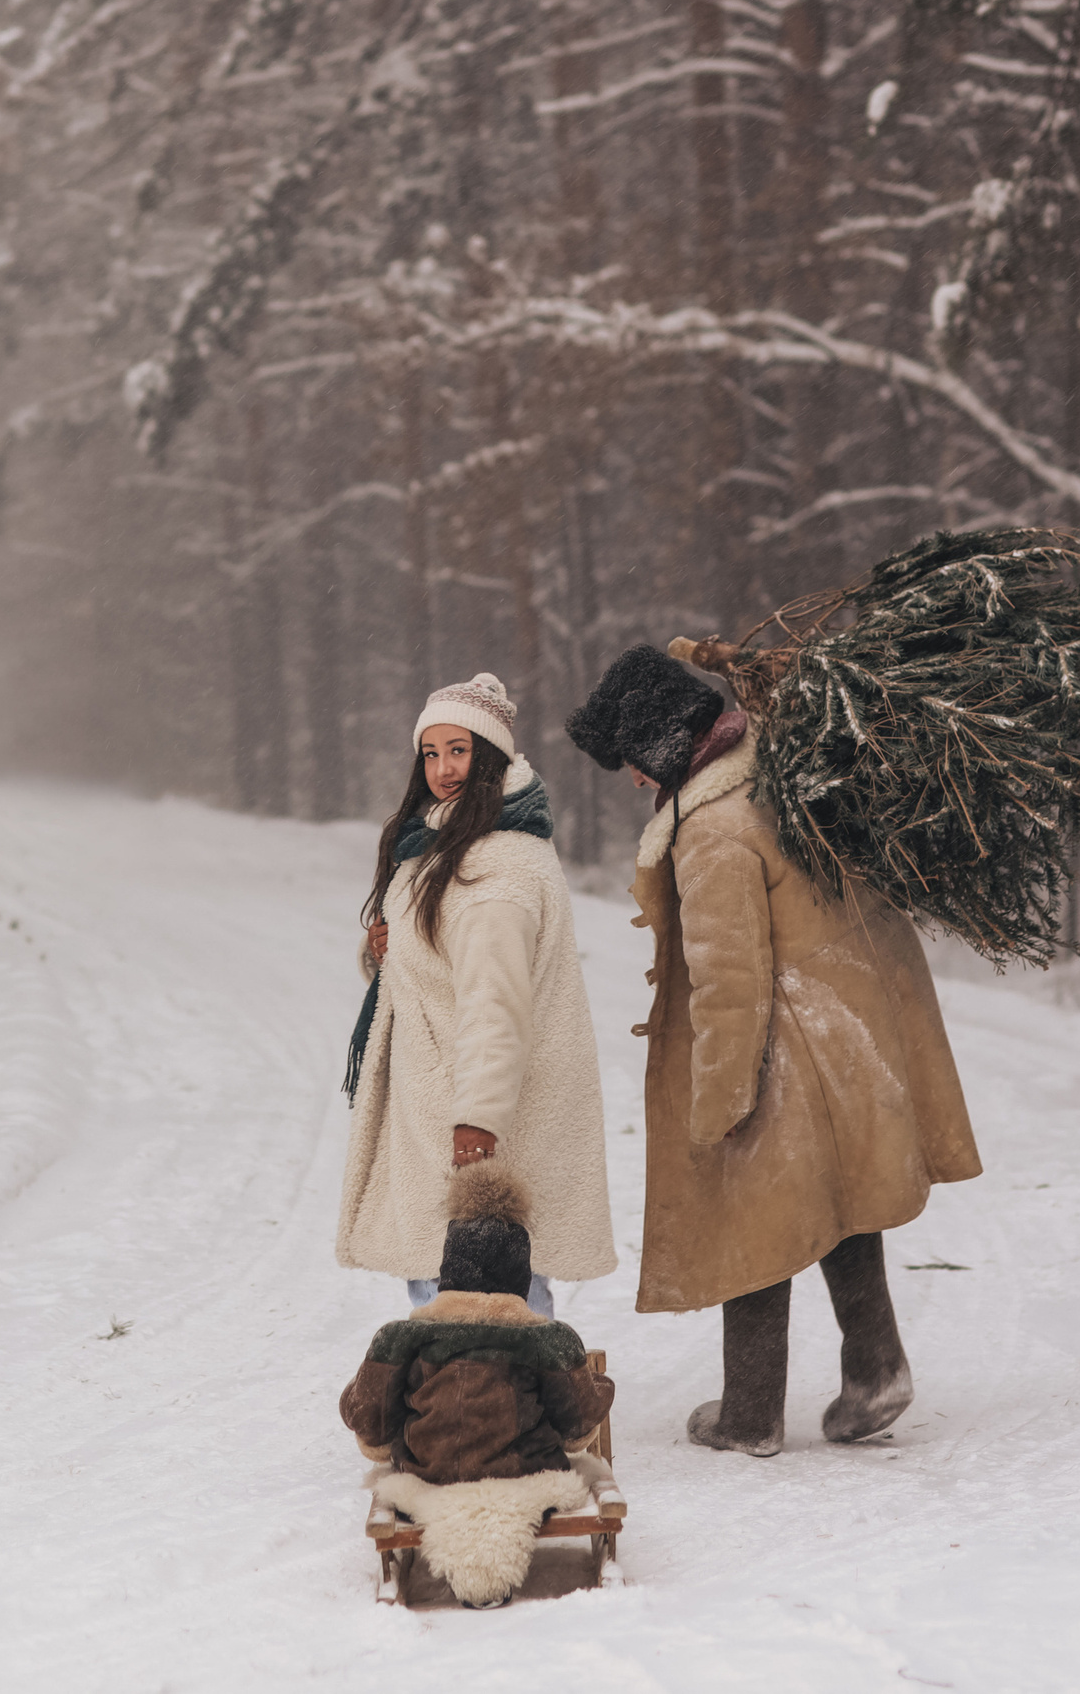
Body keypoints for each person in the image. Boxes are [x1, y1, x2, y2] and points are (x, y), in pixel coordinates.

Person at [564, 645, 982, 1456]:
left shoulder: (715, 829)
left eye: (633, 764)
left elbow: (729, 985)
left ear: (662, 746)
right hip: (847, 1036)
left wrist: (717, 1098)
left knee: (750, 1218)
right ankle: (876, 1370)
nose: (633, 782)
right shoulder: (781, 781)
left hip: (786, 1052)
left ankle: (750, 1413)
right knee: (838, 1202)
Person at [336, 673, 615, 1314]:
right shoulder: (443, 843)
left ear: (489, 754)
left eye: (458, 750)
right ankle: (482, 1408)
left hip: (471, 1103)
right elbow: (433, 962)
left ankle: (504, 1411)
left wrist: (476, 1126)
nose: (442, 768)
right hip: (442, 1092)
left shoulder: (494, 868)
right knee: (468, 1276)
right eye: (430, 754)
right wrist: (384, 949)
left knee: (480, 1283)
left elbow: (495, 1008)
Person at [339, 1164, 614, 1608]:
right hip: (527, 1477)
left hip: (425, 1478)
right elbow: (579, 1425)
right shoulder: (548, 1340)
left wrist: (384, 1436)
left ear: (447, 1269)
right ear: (521, 1276)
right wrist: (598, 1384)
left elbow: (365, 1417)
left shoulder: (399, 1338)